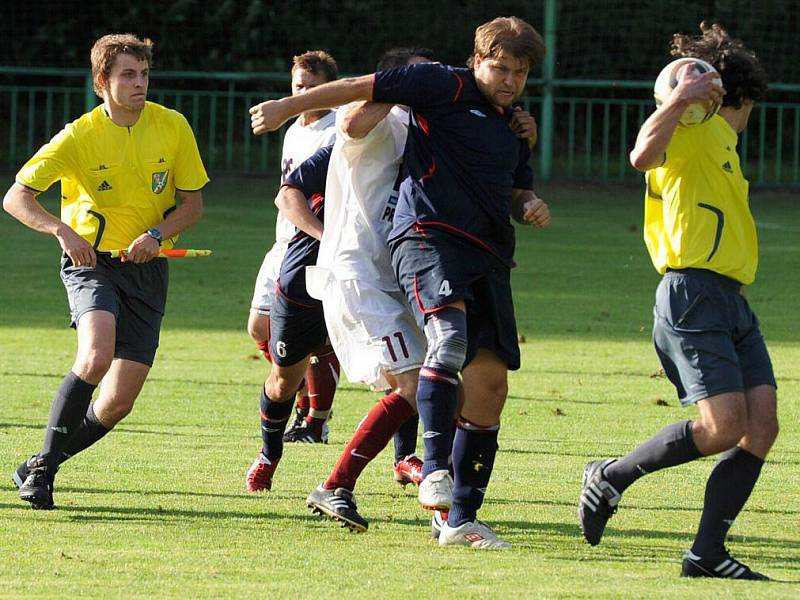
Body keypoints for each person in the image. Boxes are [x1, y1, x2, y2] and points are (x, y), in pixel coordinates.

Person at [250, 16, 550, 549]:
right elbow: (345, 130)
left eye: (518, 71)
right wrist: (292, 110)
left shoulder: (437, 126)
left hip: (401, 271)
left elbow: (495, 167)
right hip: (354, 273)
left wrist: (518, 144)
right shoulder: (375, 123)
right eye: (499, 67)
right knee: (406, 380)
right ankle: (384, 477)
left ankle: (364, 489)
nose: (508, 78)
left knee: (440, 383)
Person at [579, 23, 775, 580]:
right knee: (720, 427)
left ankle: (706, 555)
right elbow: (641, 154)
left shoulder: (725, 145)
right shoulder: (693, 129)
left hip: (732, 301)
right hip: (693, 295)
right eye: (748, 103)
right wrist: (685, 98)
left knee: (760, 427)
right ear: (736, 98)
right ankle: (612, 476)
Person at [4, 33, 209, 509]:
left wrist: (156, 236)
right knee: (95, 355)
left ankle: (40, 464)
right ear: (103, 81)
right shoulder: (78, 135)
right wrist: (62, 231)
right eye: (128, 75)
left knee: (117, 402)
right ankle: (42, 482)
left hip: (149, 269)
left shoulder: (173, 126)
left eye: (144, 74)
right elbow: (16, 196)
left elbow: (193, 206)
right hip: (91, 264)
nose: (140, 84)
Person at [246, 51, 340, 493]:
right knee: (257, 327)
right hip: (283, 241)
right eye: (296, 86)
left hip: (313, 247)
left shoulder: (337, 127)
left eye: (310, 87)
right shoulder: (294, 129)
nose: (300, 94)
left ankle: (315, 418)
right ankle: (303, 385)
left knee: (310, 341)